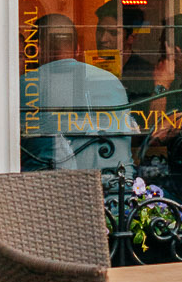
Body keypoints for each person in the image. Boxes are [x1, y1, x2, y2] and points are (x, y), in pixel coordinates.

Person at [20, 12, 135, 173]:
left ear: (36, 50)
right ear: (78, 49)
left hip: (47, 192)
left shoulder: (23, 86)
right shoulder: (110, 81)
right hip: (117, 189)